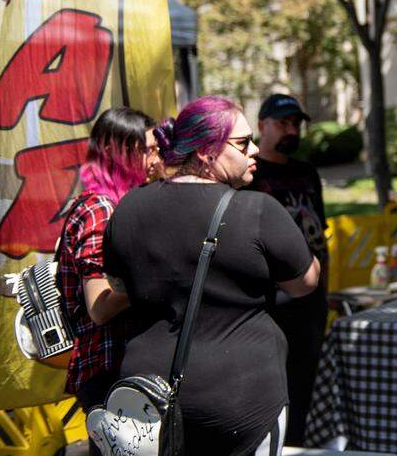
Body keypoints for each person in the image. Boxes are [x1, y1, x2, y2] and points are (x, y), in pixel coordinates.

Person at [103, 96, 321, 456]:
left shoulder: (128, 207)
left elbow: (119, 286)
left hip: (147, 399)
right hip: (241, 398)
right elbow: (305, 282)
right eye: (241, 143)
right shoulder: (258, 210)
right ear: (206, 152)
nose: (253, 151)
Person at [55, 107, 159, 456]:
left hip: (121, 370)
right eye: (148, 149)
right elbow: (99, 306)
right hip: (106, 370)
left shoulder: (121, 203)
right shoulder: (100, 208)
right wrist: (158, 272)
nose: (156, 158)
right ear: (121, 151)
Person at [245, 93, 328, 446]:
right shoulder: (250, 174)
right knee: (274, 389)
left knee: (307, 384)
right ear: (261, 125)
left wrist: (325, 291)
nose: (291, 130)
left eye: (295, 123)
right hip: (270, 305)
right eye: (283, 123)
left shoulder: (307, 172)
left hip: (311, 302)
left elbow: (320, 237)